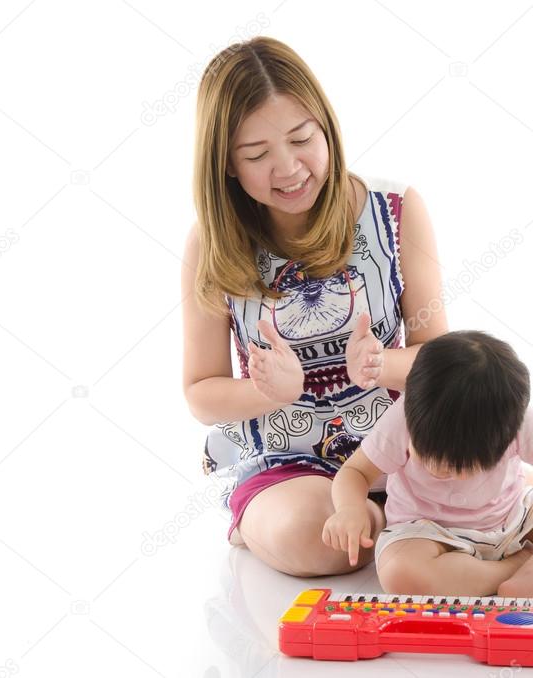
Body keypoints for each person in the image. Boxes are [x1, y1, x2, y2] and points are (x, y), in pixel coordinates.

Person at [181, 36, 449, 576]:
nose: (288, 169)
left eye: (302, 139)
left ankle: (397, 519)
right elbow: (201, 393)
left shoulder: (395, 210)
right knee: (317, 537)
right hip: (289, 463)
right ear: (226, 166)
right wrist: (265, 390)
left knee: (518, 497)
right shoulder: (211, 244)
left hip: (397, 445)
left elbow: (441, 358)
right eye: (256, 155)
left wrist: (384, 365)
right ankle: (410, 529)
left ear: (326, 128)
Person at [322, 331, 533, 596]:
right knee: (399, 573)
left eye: (462, 468)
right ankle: (526, 566)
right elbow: (355, 472)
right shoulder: (404, 417)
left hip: (513, 519)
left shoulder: (515, 420)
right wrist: (350, 509)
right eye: (429, 457)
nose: (442, 471)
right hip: (430, 535)